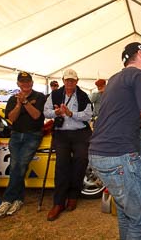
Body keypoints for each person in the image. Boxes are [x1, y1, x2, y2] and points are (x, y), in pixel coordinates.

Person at [88, 42, 141, 239]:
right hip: (120, 156)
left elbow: (120, 114)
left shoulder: (115, 79)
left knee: (127, 213)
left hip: (99, 154)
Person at [43, 68, 93, 221]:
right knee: (61, 165)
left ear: (76, 81)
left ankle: (73, 195)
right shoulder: (55, 94)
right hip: (62, 133)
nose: (70, 82)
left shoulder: (84, 95)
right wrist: (56, 113)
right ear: (63, 80)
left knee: (81, 162)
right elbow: (46, 112)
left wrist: (72, 114)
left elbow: (88, 115)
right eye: (67, 80)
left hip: (80, 133)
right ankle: (58, 202)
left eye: (72, 80)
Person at [0, 71, 46, 217]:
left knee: (20, 165)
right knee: (16, 166)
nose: (25, 84)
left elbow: (36, 115)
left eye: (28, 81)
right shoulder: (12, 99)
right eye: (22, 82)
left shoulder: (39, 96)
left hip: (33, 135)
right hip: (16, 135)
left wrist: (25, 102)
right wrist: (18, 104)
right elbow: (11, 118)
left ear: (32, 83)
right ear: (18, 84)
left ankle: (7, 199)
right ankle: (18, 199)